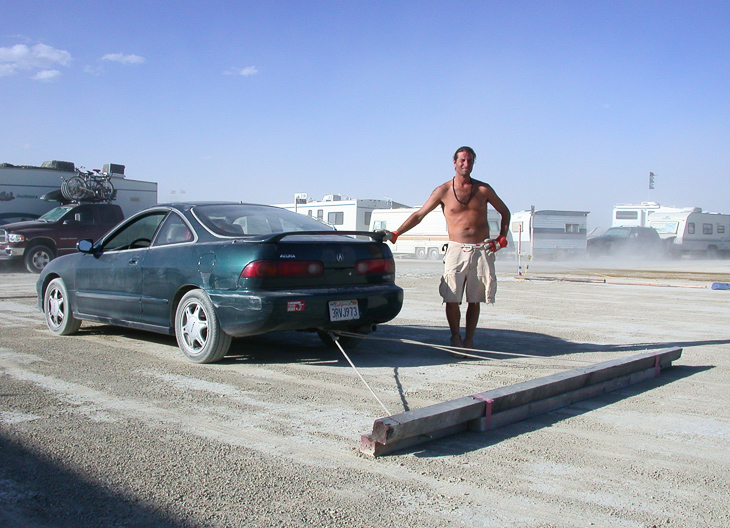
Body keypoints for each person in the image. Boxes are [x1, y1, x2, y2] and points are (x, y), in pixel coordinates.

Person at [382, 146, 510, 352]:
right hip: (456, 250)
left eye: (469, 161)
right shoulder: (443, 190)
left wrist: (501, 238)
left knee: (474, 299)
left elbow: (505, 212)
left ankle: (469, 339)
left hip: (481, 250)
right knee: (452, 298)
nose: (465, 164)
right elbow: (419, 215)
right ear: (454, 162)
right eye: (462, 160)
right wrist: (397, 233)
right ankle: (455, 337)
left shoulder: (484, 190)